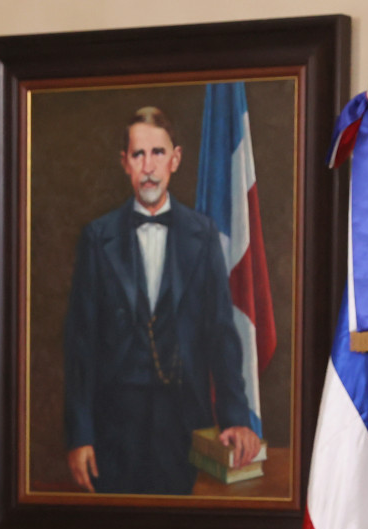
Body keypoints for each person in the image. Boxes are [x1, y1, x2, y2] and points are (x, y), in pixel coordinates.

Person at [64, 106, 261, 495]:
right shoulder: (97, 238)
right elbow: (81, 345)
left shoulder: (203, 234)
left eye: (158, 153)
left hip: (185, 425)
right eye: (138, 154)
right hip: (113, 427)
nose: (149, 167)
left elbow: (221, 333)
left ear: (176, 158)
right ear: (125, 163)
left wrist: (236, 417)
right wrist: (80, 434)